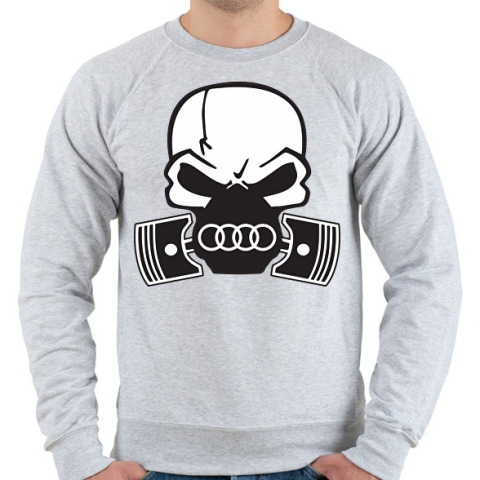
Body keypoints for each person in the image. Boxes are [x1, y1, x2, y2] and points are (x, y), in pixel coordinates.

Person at [17, 1, 462, 479]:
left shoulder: (360, 81)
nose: (237, 207)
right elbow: (52, 273)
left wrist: (385, 448)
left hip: (325, 458)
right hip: (154, 461)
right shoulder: (109, 84)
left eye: (276, 181)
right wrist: (77, 455)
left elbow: (426, 269)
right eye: (198, 181)